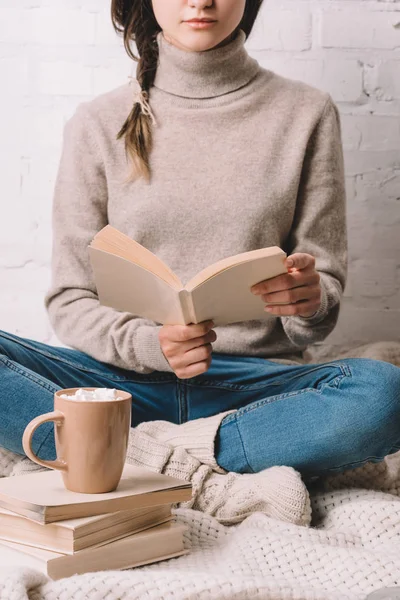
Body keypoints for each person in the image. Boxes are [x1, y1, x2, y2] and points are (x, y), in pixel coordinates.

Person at [1, 0, 400, 487]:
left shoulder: (306, 112)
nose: (200, 1)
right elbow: (70, 299)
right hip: (122, 383)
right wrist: (151, 344)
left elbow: (322, 297)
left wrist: (309, 301)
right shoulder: (97, 121)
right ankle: (204, 455)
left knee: (384, 394)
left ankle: (132, 454)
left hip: (257, 389)